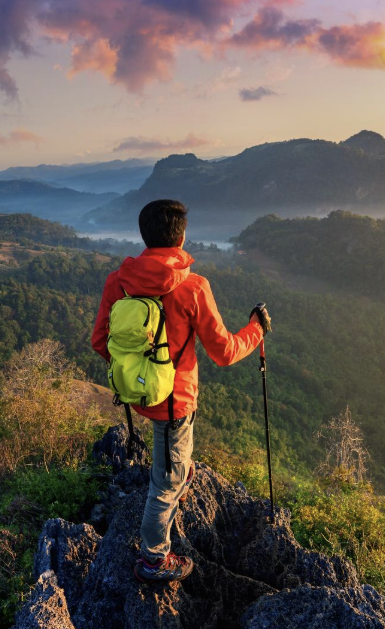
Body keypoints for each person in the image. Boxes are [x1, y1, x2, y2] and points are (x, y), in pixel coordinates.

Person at [91, 199, 272, 583]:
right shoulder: (193, 287)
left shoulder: (119, 281)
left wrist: (137, 371)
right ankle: (154, 559)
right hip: (176, 402)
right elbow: (223, 352)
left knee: (172, 459)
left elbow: (100, 341)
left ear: (144, 236)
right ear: (182, 237)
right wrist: (256, 330)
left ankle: (180, 471)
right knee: (164, 484)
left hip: (140, 395)